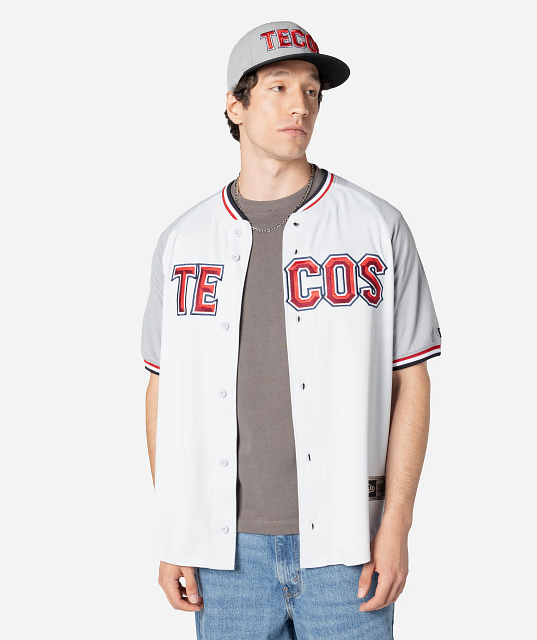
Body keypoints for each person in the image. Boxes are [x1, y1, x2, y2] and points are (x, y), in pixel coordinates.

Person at [141, 20, 442, 640]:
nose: (299, 105)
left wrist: (396, 526)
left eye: (311, 91)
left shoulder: (376, 225)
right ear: (235, 105)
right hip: (225, 554)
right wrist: (175, 529)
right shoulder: (183, 241)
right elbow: (162, 388)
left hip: (349, 544)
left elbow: (410, 379)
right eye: (278, 87)